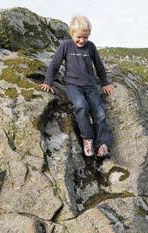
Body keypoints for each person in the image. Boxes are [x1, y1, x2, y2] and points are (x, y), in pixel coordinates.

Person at [40, 15, 115, 157]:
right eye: (79, 37)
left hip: (90, 85)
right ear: (72, 33)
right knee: (81, 106)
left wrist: (105, 83)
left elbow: (99, 66)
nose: (82, 40)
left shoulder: (91, 47)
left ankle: (102, 143)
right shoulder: (65, 45)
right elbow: (55, 64)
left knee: (99, 112)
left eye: (85, 38)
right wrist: (48, 82)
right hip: (73, 85)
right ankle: (87, 138)